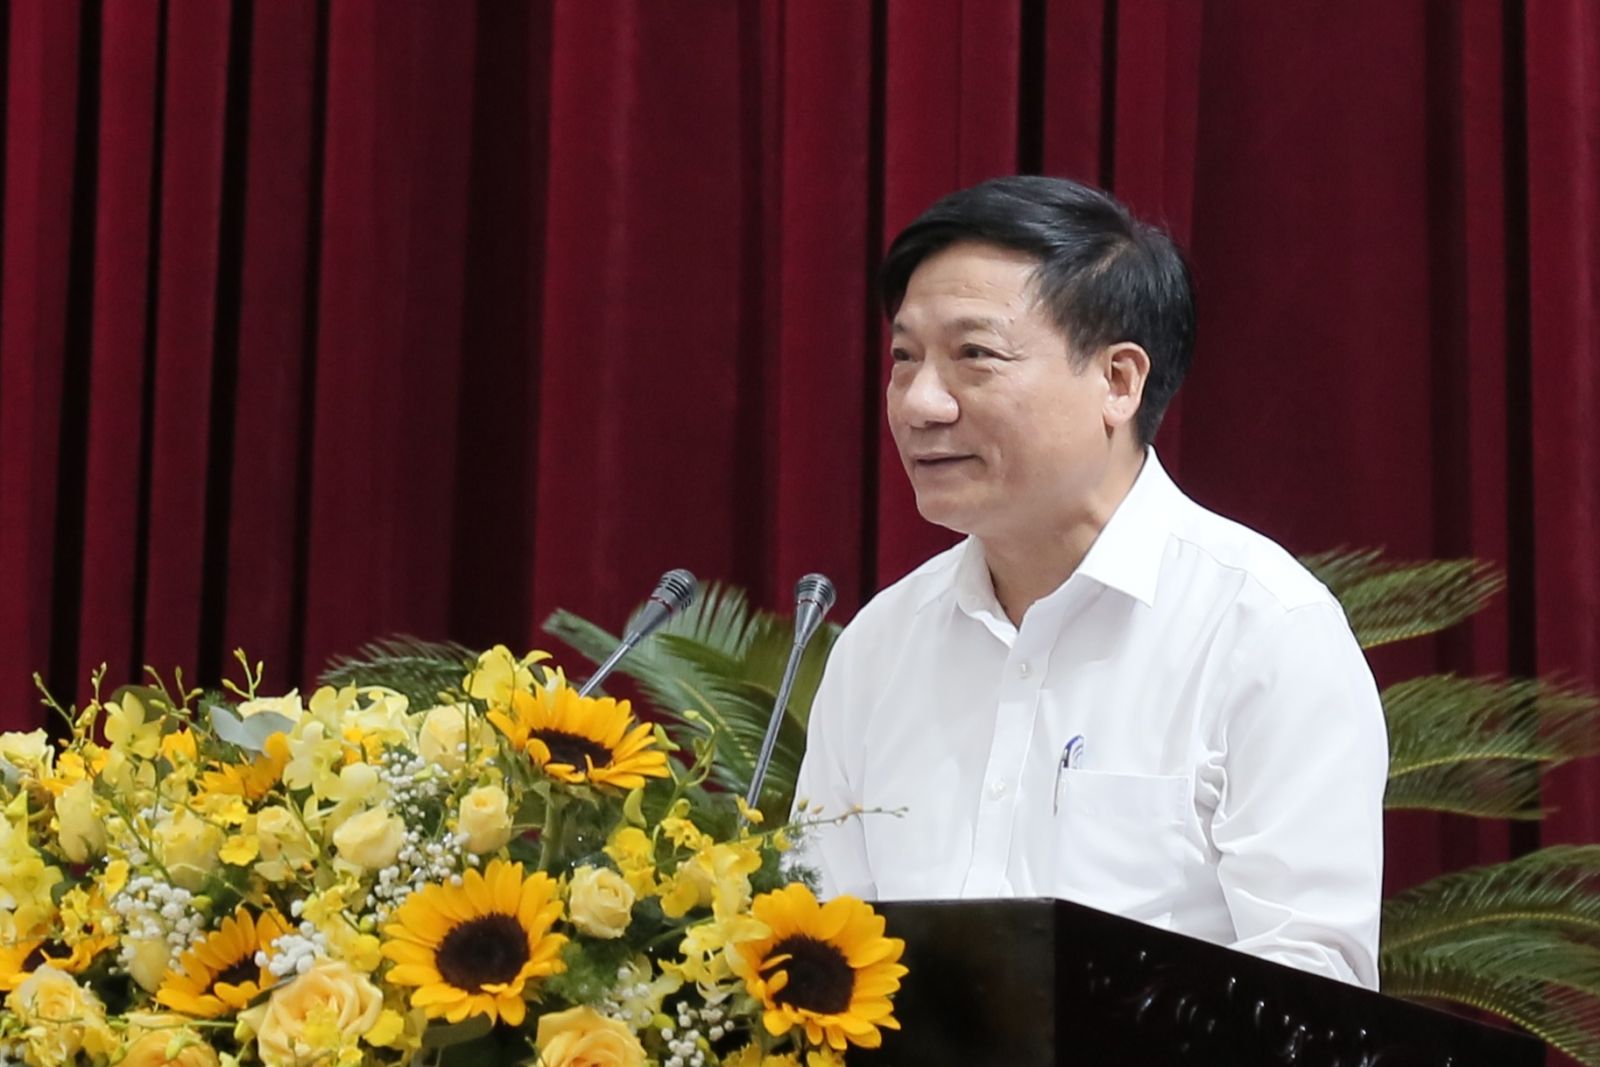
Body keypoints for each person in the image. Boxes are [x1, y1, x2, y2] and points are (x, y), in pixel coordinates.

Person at [791, 175, 1387, 989]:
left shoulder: (1263, 631)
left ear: (1118, 381)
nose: (921, 402)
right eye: (904, 358)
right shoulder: (880, 647)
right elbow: (818, 950)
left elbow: (1313, 983)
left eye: (973, 355)